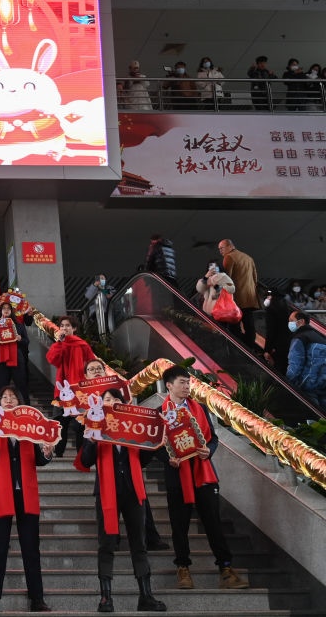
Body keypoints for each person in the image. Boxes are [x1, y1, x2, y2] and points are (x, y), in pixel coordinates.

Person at [75, 389, 166, 613]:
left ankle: (146, 596)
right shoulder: (93, 425)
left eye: (116, 399)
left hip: (133, 490)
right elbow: (85, 461)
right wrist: (92, 438)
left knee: (139, 543)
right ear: (100, 404)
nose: (112, 402)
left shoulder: (133, 426)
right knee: (106, 544)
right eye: (107, 400)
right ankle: (106, 597)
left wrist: (155, 444)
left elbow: (142, 460)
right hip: (106, 492)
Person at [159, 365, 248, 591]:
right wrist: (168, 458)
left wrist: (209, 450)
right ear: (169, 385)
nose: (186, 386)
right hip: (177, 475)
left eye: (188, 382)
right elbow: (156, 446)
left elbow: (213, 439)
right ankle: (183, 568)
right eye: (182, 382)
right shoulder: (159, 414)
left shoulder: (199, 408)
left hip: (203, 472)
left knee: (213, 523)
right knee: (179, 525)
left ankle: (226, 569)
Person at [0, 386, 53, 613]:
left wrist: (47, 452)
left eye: (13, 397)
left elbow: (39, 459)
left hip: (25, 492)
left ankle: (37, 599)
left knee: (31, 548)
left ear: (20, 402)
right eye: (4, 397)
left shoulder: (30, 426)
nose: (9, 400)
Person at [46, 316, 95, 457]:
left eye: (67, 325)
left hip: (80, 392)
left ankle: (81, 456)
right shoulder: (59, 344)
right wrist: (59, 343)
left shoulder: (82, 345)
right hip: (61, 392)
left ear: (74, 328)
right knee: (59, 423)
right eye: (62, 326)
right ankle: (58, 453)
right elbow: (52, 359)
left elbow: (92, 364)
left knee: (80, 425)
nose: (64, 328)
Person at [218, 239, 259, 349]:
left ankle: (239, 349)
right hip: (250, 298)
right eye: (219, 249)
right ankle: (250, 348)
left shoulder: (229, 257)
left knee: (234, 327)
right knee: (249, 325)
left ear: (230, 246)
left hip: (236, 299)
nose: (220, 251)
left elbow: (227, 279)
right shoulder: (248, 258)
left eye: (222, 248)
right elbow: (255, 278)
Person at [0, 302, 30, 404]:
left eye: (8, 308)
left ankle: (26, 408)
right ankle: (0, 409)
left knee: (21, 386)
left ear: (12, 311)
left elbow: (26, 341)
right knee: (1, 387)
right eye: (4, 308)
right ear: (0, 311)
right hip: (0, 360)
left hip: (16, 359)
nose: (6, 310)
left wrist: (20, 339)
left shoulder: (18, 325)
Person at [285, 311, 326, 408]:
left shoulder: (299, 338)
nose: (289, 323)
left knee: (311, 414)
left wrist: (286, 383)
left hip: (307, 387)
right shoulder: (320, 337)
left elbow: (295, 365)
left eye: (291, 320)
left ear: (301, 321)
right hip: (323, 387)